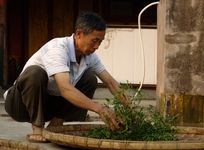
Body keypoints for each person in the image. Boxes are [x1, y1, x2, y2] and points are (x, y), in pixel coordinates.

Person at [3, 11, 129, 143]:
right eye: (94, 41)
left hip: (48, 104)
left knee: (90, 79)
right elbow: (65, 89)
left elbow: (110, 82)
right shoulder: (57, 48)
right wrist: (100, 109)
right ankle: (37, 129)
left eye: (100, 42)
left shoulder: (90, 56)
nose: (97, 46)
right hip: (20, 105)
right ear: (79, 34)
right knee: (35, 73)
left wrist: (130, 110)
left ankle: (56, 123)